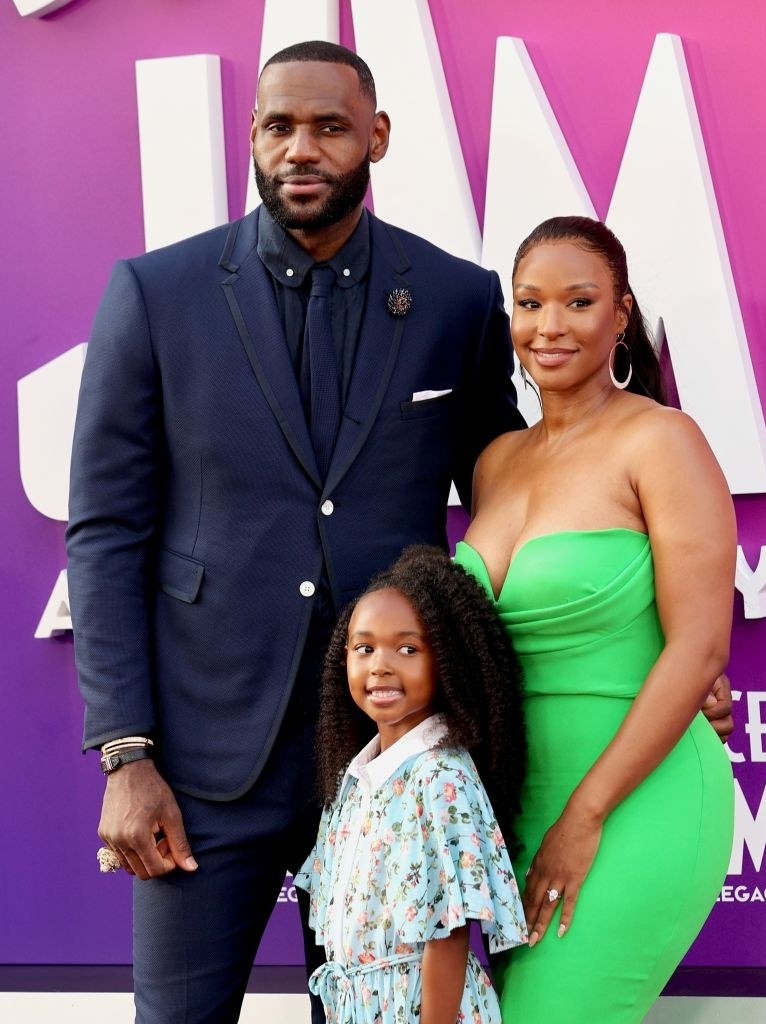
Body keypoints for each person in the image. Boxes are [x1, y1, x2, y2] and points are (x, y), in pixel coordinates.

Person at [65, 41, 524, 1023]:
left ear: (378, 137)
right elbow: (105, 532)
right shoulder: (156, 295)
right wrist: (125, 753)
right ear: (253, 137)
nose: (300, 149)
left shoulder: (456, 300)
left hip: (385, 755)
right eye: (278, 126)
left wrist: (674, 646)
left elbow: (517, 505)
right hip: (197, 764)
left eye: (327, 126)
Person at [454, 216, 737, 1021]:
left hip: (632, 800)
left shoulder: (662, 441)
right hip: (514, 809)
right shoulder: (495, 462)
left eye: (578, 302)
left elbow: (698, 646)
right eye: (529, 303)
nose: (549, 326)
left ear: (619, 315)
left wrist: (585, 816)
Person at [294, 544, 528, 1023]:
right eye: (365, 648)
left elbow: (446, 932)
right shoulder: (354, 779)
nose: (381, 664)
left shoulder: (440, 778)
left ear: (444, 660)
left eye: (407, 648)